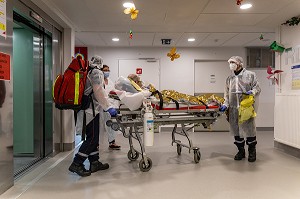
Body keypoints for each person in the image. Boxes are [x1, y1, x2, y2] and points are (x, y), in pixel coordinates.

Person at [68, 55, 118, 177]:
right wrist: (108, 107)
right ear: (101, 64)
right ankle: (77, 163)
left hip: (87, 110)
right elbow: (98, 91)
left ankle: (94, 162)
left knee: (92, 136)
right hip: (90, 111)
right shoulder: (96, 72)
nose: (106, 72)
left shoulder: (88, 71)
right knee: (92, 138)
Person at [219, 56, 261, 162]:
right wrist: (225, 104)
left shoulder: (250, 75)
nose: (231, 64)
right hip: (233, 109)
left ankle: (252, 151)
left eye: (233, 62)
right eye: (230, 62)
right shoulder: (229, 78)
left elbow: (257, 87)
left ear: (240, 64)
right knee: (236, 131)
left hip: (246, 108)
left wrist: (252, 92)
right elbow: (226, 95)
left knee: (250, 131)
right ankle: (241, 151)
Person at [100, 64, 121, 150]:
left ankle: (112, 142)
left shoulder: (110, 81)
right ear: (101, 71)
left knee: (111, 125)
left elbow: (113, 92)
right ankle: (95, 145)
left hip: (111, 107)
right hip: (102, 106)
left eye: (108, 70)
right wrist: (106, 106)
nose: (107, 72)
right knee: (100, 126)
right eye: (105, 70)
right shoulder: (100, 82)